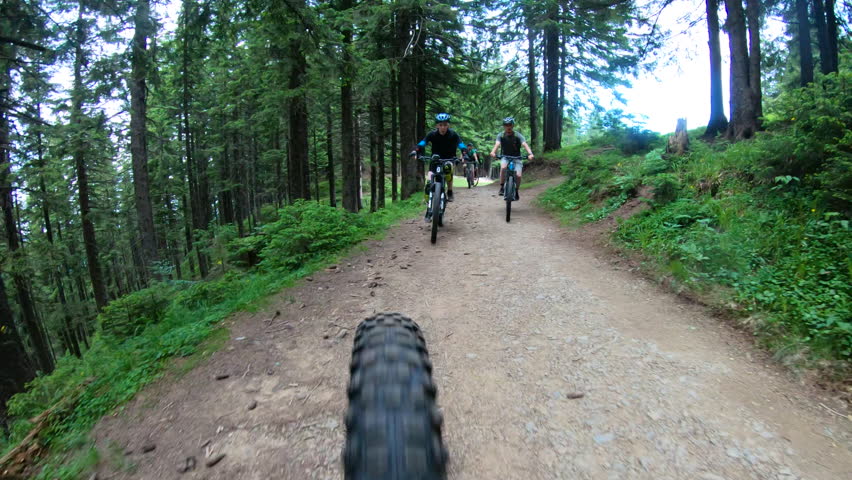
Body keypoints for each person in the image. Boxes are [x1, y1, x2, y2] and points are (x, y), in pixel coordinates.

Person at [410, 113, 468, 221]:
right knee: (428, 183)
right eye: (440, 125)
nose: (443, 127)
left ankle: (449, 191)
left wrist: (464, 154)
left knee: (448, 169)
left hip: (449, 159)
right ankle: (429, 208)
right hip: (435, 160)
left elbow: (461, 145)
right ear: (437, 125)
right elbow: (423, 143)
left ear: (448, 125)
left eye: (445, 125)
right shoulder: (432, 134)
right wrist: (415, 151)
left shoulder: (453, 135)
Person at [489, 117, 534, 199]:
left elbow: (524, 144)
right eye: (506, 125)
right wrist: (493, 152)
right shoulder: (501, 135)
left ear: (513, 125)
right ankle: (502, 187)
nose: (508, 127)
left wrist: (530, 154)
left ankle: (516, 191)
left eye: (510, 125)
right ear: (504, 126)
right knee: (503, 168)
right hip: (505, 157)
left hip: (517, 157)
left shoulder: (518, 135)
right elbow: (497, 144)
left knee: (518, 175)